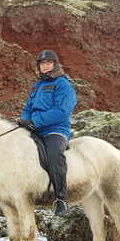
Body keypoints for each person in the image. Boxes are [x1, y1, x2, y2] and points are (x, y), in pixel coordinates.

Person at [18, 50, 78, 216]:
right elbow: (28, 108)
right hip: (35, 128)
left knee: (53, 154)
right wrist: (24, 121)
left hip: (56, 130)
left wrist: (35, 122)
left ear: (55, 64)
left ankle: (61, 199)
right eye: (42, 64)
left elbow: (61, 111)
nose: (44, 66)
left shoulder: (63, 84)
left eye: (48, 63)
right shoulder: (36, 86)